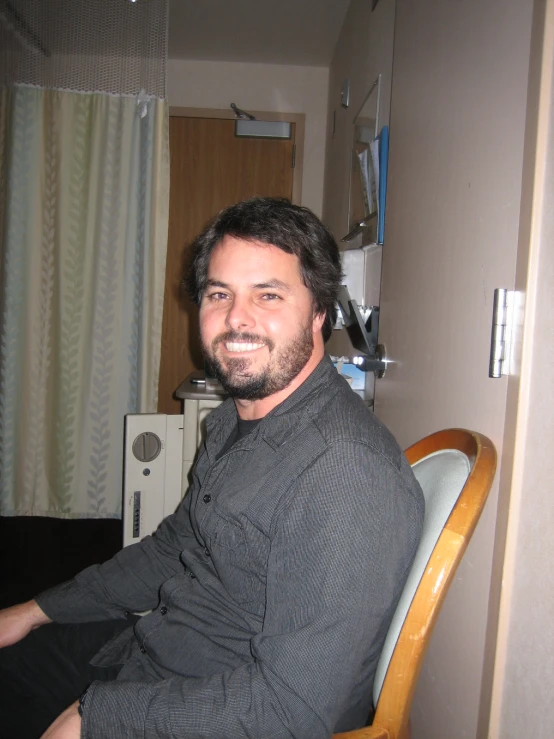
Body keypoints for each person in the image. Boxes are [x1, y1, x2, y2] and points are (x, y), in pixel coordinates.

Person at [0, 197, 424, 739]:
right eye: (219, 293)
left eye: (268, 294)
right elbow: (171, 549)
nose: (236, 318)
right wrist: (36, 610)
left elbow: (292, 711)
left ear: (320, 312)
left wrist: (96, 719)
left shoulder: (342, 474)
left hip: (215, 707)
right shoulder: (231, 422)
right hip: (153, 650)